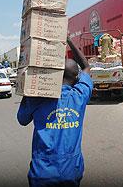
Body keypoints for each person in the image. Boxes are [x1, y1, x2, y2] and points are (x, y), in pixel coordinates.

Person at [17, 38, 92, 187]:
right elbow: (86, 66)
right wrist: (68, 39)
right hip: (71, 171)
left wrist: (30, 90)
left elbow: (22, 120)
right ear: (76, 78)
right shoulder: (80, 95)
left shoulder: (37, 98)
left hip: (42, 173)